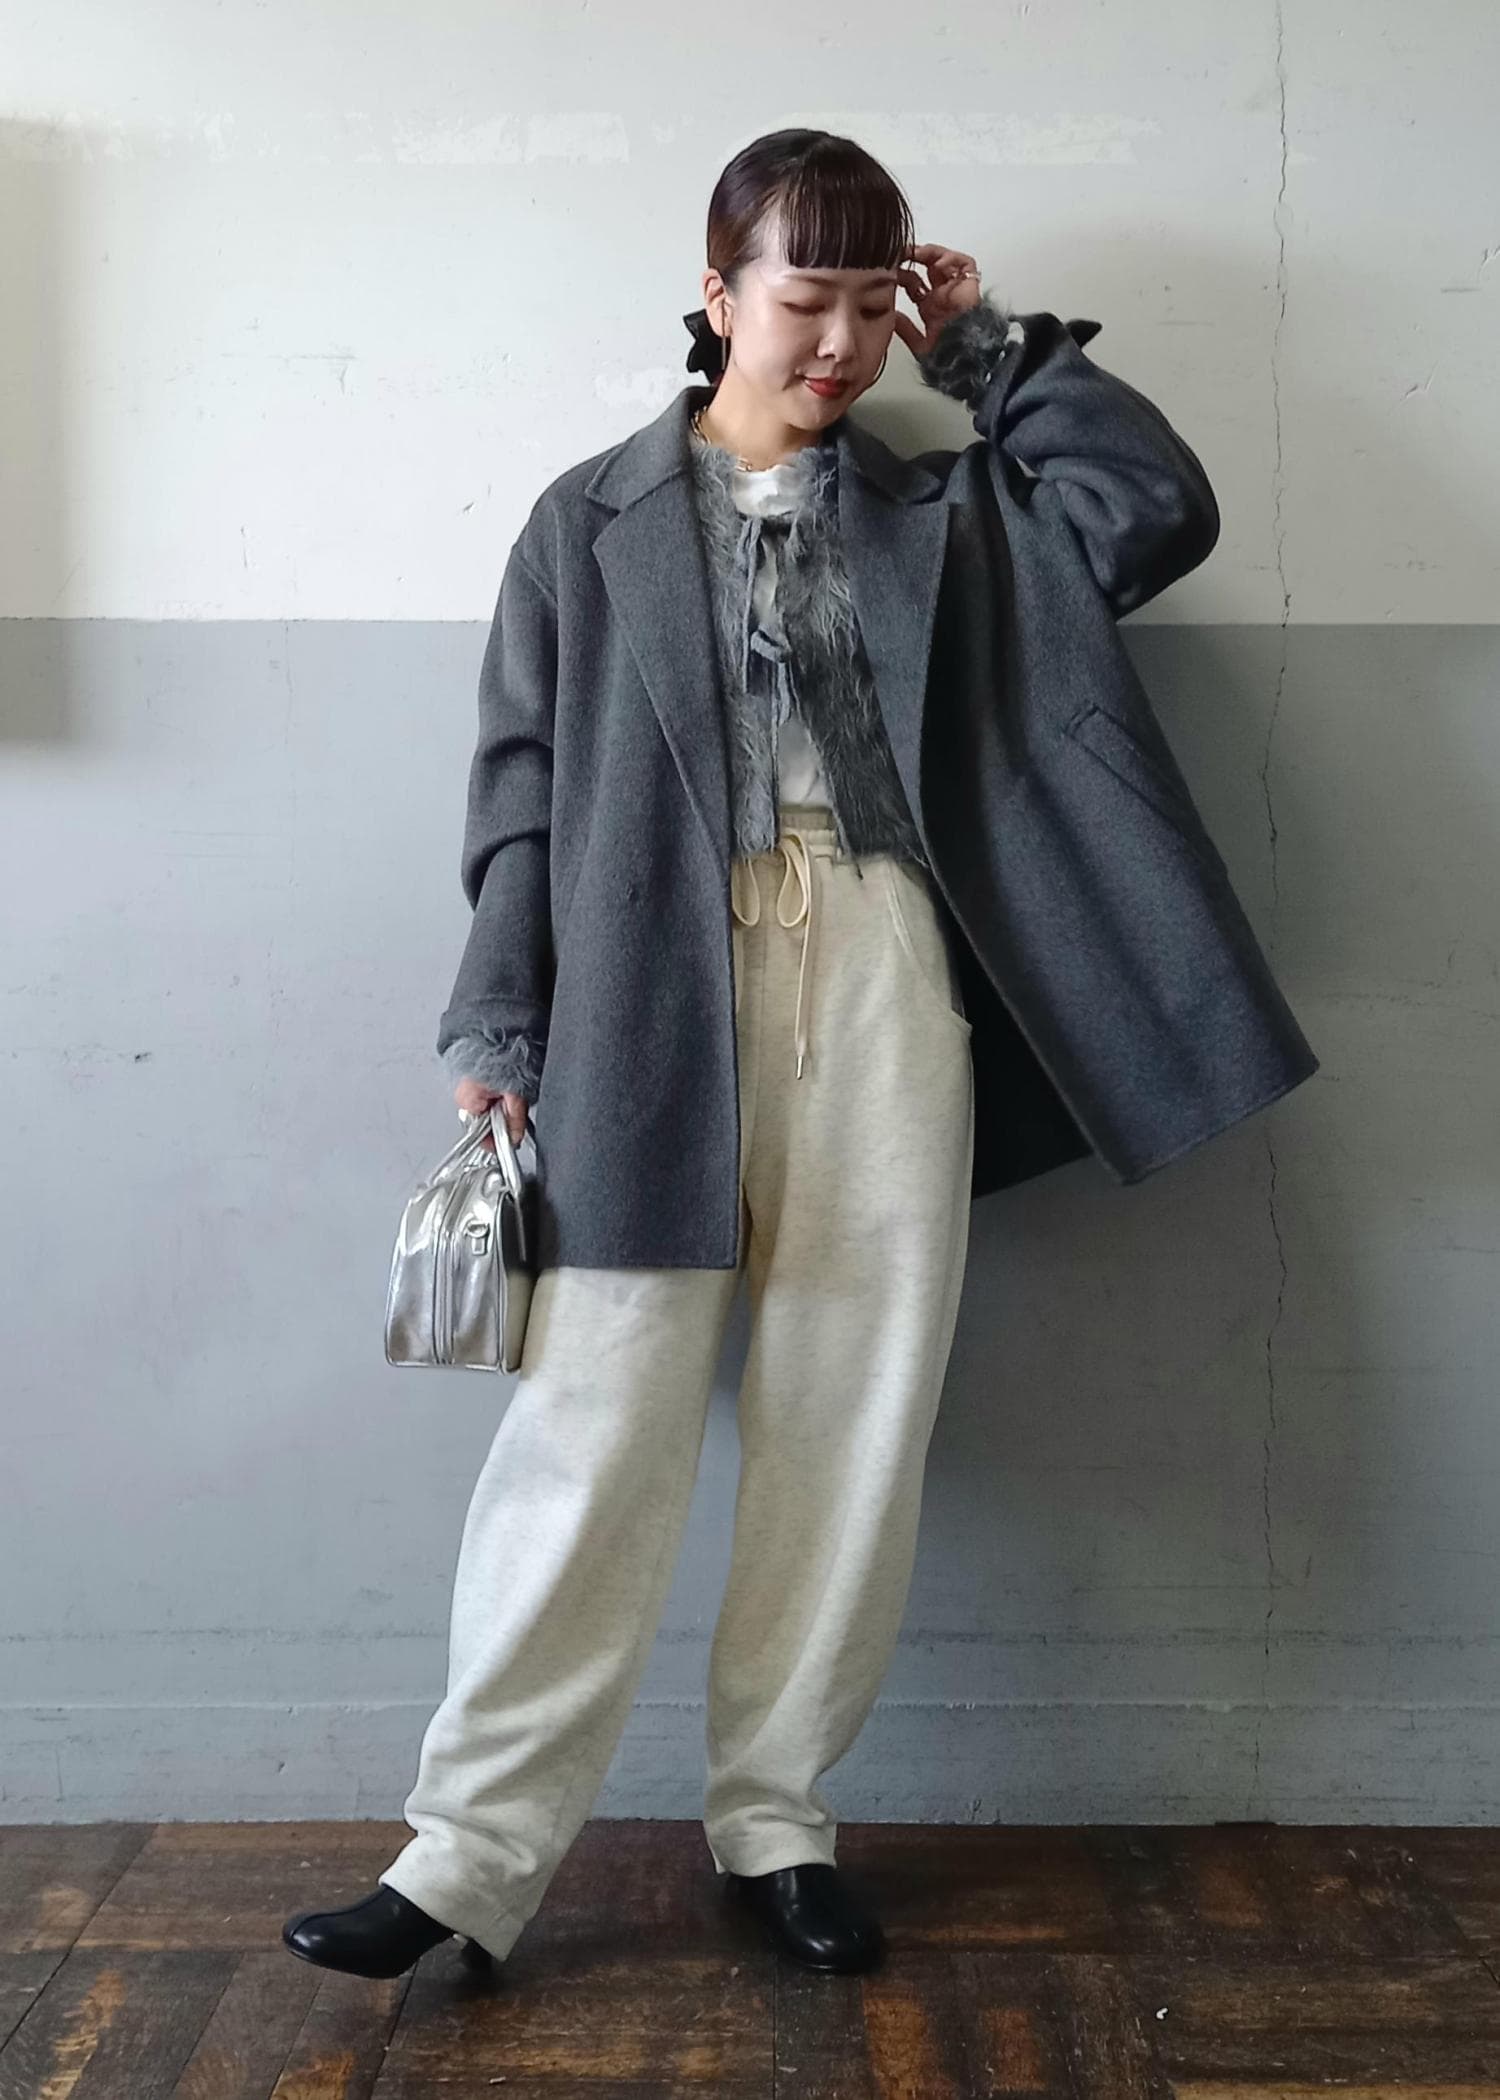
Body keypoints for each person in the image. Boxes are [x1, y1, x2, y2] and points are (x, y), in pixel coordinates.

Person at [283, 126, 1316, 1985]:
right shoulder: (588, 522)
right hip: (645, 987)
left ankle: (775, 1821)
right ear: (717, 293)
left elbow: (1152, 511)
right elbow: (521, 793)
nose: (837, 342)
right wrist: (500, 1020)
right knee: (594, 1417)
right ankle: (465, 1860)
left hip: (885, 966)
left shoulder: (949, 514)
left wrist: (985, 354)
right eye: (802, 298)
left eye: (866, 303)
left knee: (852, 1411)